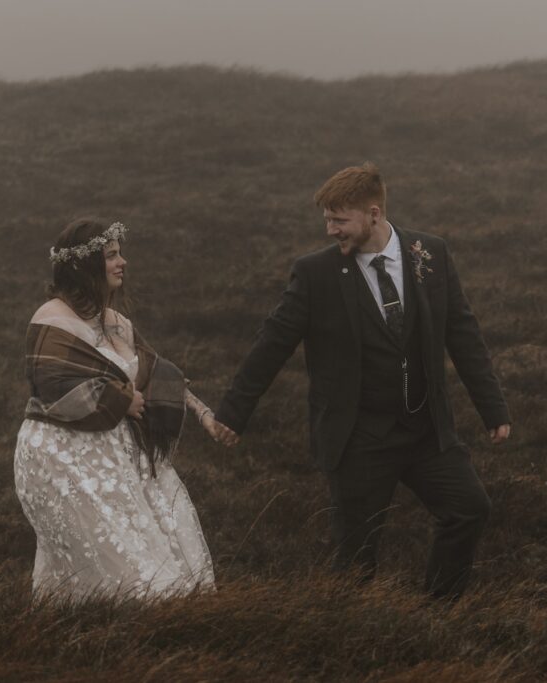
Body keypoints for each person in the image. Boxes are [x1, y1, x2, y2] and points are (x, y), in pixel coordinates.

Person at [214, 163, 511, 599]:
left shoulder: (431, 254)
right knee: (356, 555)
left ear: (374, 214)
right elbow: (271, 345)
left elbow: (463, 334)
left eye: (340, 220)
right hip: (358, 438)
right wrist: (234, 413)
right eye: (327, 220)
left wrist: (494, 408)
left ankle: (440, 611)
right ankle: (348, 635)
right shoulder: (315, 274)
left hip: (426, 430)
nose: (332, 230)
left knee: (469, 510)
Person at [14, 217, 233, 600]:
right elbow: (51, 385)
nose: (122, 262)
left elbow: (156, 370)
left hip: (120, 458)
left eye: (120, 254)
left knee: (156, 561)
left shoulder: (116, 323)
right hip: (65, 458)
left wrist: (203, 414)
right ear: (84, 266)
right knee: (118, 570)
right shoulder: (51, 318)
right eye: (111, 256)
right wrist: (121, 399)